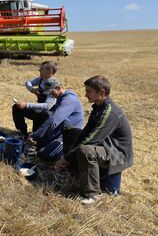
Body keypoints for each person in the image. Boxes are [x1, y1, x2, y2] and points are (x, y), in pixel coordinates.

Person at [56, 76, 133, 205]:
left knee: (86, 150)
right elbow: (85, 133)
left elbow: (93, 139)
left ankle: (92, 194)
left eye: (89, 91)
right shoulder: (98, 107)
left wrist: (67, 158)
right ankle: (74, 170)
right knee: (72, 132)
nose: (85, 95)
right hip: (106, 145)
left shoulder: (110, 112)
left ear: (101, 93)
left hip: (118, 153)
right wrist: (67, 156)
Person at [28, 77, 84, 157]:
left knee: (45, 154)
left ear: (58, 88)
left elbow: (53, 120)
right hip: (60, 130)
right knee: (38, 146)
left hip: (69, 135)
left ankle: (67, 154)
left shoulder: (68, 100)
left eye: (51, 91)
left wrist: (35, 135)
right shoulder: (60, 97)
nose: (50, 94)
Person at [12, 61, 58, 137]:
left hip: (47, 116)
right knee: (16, 107)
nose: (39, 70)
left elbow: (47, 106)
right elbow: (27, 83)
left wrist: (26, 105)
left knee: (36, 137)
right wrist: (32, 90)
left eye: (42, 69)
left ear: (49, 72)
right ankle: (23, 133)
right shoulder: (41, 79)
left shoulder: (54, 85)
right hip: (39, 110)